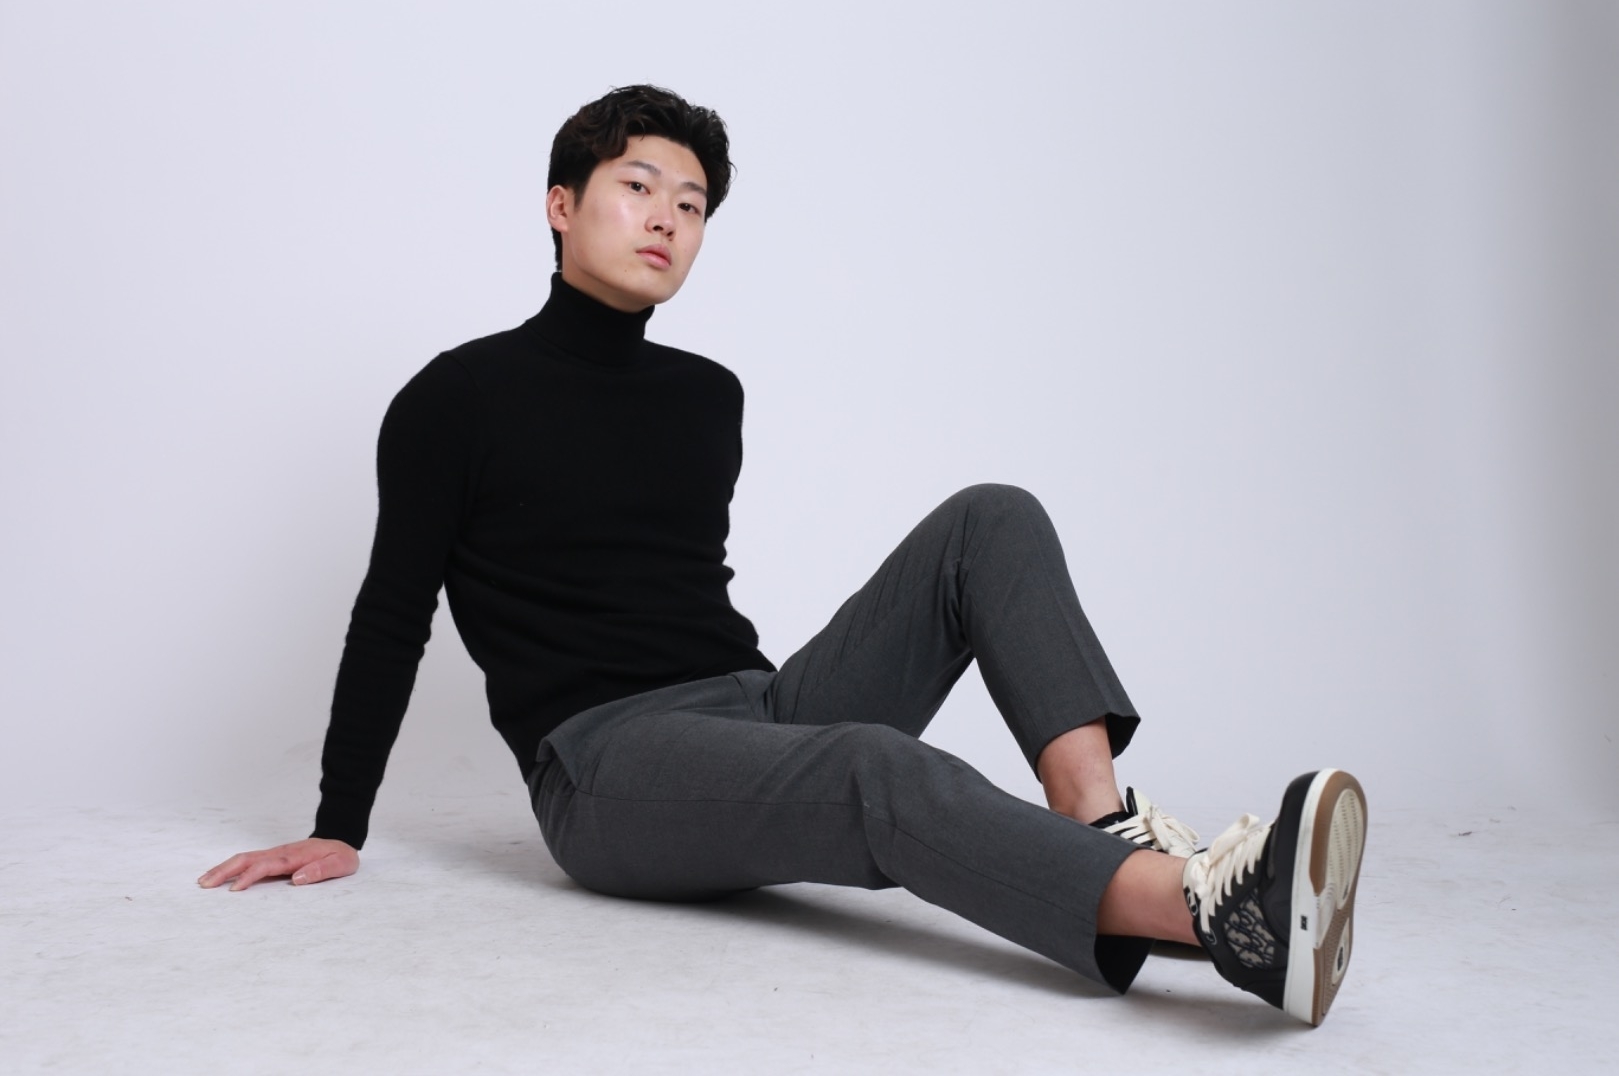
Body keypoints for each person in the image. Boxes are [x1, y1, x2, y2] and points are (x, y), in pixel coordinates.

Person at [199, 84, 1367, 1027]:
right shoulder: (454, 398)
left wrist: (762, 719)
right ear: (560, 205)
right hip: (601, 765)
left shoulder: (706, 396)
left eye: (691, 203)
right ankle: (1212, 919)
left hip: (750, 711)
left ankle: (1095, 827)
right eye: (636, 187)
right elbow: (392, 611)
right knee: (872, 768)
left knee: (990, 517)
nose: (665, 218)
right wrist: (339, 822)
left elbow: (674, 599)